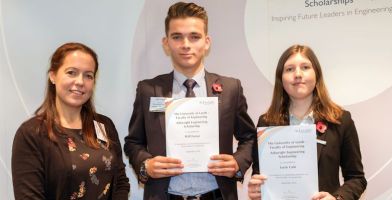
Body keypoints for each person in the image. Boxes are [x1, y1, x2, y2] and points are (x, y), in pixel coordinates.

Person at [124, 2, 256, 200]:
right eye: (177, 37)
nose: (186, 44)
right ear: (166, 43)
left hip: (217, 195)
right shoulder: (148, 90)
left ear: (207, 42)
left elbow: (249, 137)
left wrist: (237, 163)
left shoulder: (230, 89)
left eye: (194, 37)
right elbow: (133, 142)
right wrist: (146, 165)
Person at [12, 42, 130, 199]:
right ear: (53, 76)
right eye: (71, 73)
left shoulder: (103, 125)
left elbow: (120, 181)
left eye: (88, 75)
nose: (80, 82)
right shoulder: (32, 133)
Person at [248, 45, 367, 200]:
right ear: (280, 79)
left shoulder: (340, 120)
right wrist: (256, 189)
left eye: (305, 67)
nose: (298, 74)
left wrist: (338, 198)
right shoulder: (266, 123)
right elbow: (259, 174)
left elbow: (357, 178)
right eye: (289, 69)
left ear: (316, 74)